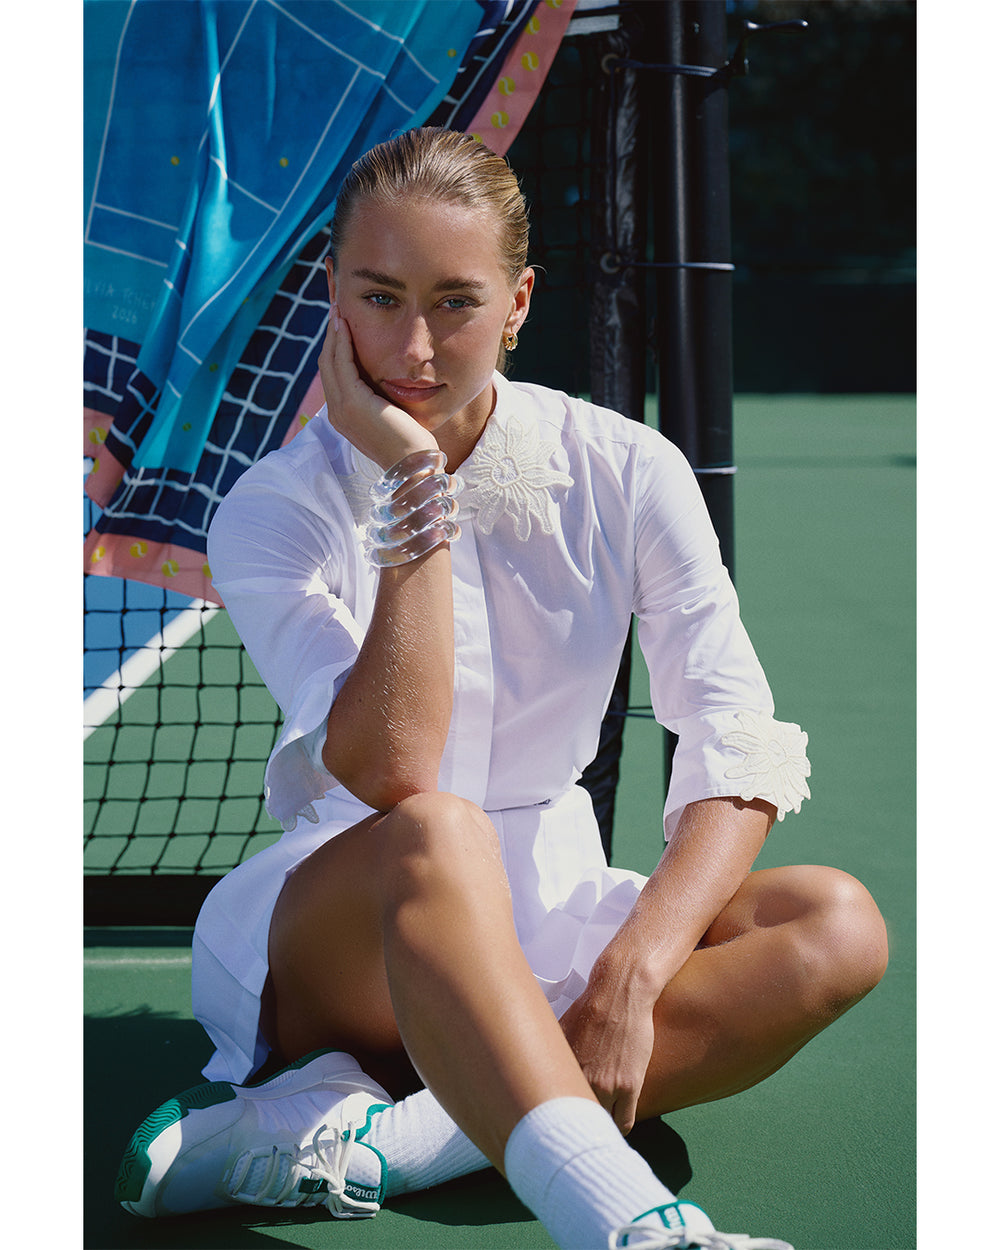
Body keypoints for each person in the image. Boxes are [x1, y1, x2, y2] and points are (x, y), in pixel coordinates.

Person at [114, 127, 887, 1250]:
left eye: (456, 303)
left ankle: (382, 1138)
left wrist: (632, 968)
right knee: (438, 829)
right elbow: (392, 769)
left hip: (556, 922)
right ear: (331, 290)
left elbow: (734, 735)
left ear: (519, 303)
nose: (412, 346)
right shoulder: (274, 508)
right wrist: (412, 479)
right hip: (348, 933)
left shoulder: (629, 467)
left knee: (835, 925)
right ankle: (630, 1225)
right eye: (377, 297)